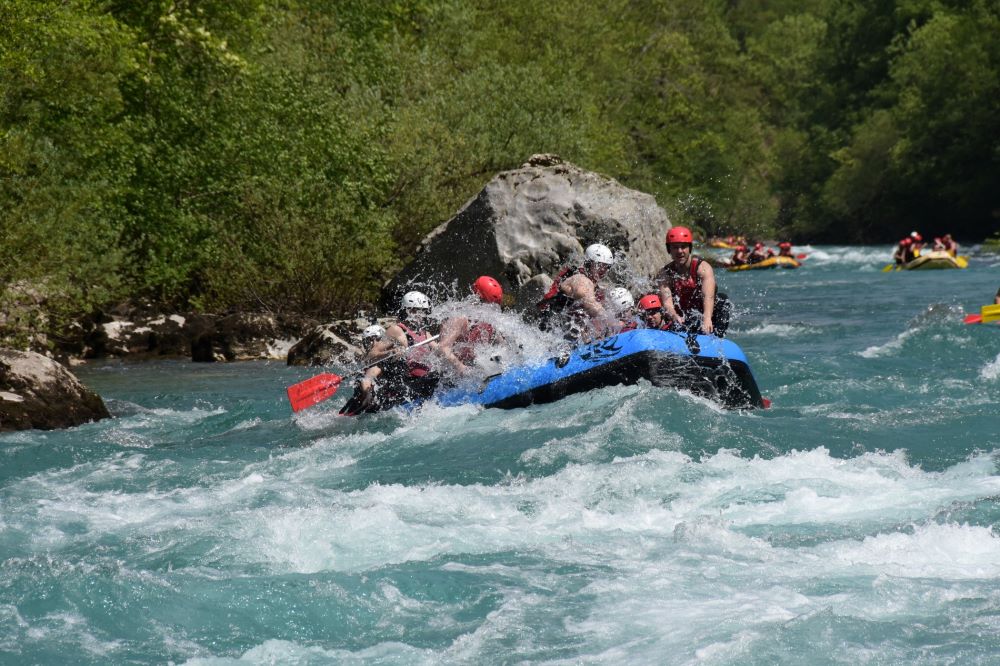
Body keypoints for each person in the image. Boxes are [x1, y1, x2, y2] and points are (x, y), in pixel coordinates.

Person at [340, 290, 439, 415]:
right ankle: (367, 394)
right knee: (434, 378)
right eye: (415, 310)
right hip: (407, 381)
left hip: (422, 381)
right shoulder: (396, 330)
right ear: (406, 311)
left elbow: (442, 352)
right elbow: (370, 357)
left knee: (440, 376)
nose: (420, 314)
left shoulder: (426, 334)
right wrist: (392, 351)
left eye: (422, 311)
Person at [654, 226, 732, 337]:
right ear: (669, 250)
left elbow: (708, 297)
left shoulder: (702, 268)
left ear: (689, 248)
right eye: (675, 247)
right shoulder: (665, 274)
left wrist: (707, 318)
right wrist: (674, 316)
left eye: (683, 247)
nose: (680, 251)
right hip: (682, 318)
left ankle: (717, 339)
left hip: (704, 315)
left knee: (723, 300)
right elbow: (667, 303)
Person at [537, 242, 615, 341]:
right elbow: (584, 296)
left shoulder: (593, 285)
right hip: (553, 332)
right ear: (589, 263)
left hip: (563, 334)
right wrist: (613, 322)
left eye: (607, 267)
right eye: (600, 266)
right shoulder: (580, 279)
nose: (603, 271)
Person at [438, 276, 506, 377]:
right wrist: (462, 368)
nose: (490, 310)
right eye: (487, 304)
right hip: (453, 375)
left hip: (476, 368)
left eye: (493, 306)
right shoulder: (459, 319)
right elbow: (443, 348)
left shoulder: (489, 321)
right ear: (476, 299)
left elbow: (503, 345)